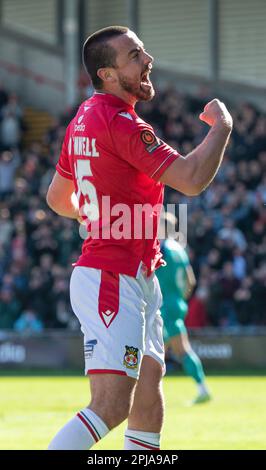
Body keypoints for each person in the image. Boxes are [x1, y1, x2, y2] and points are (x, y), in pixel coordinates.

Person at [46, 26, 232, 450]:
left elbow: (58, 197)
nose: (148, 59)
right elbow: (191, 178)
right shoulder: (120, 121)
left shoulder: (82, 119)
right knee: (111, 406)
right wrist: (222, 126)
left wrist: (103, 213)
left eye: (144, 50)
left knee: (149, 390)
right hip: (113, 276)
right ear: (108, 73)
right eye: (135, 55)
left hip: (131, 274)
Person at [157, 212, 211, 405]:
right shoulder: (179, 249)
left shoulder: (162, 249)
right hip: (176, 303)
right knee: (158, 351)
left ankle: (202, 389)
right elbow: (191, 280)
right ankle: (151, 393)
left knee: (177, 350)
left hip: (164, 306)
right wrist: (180, 298)